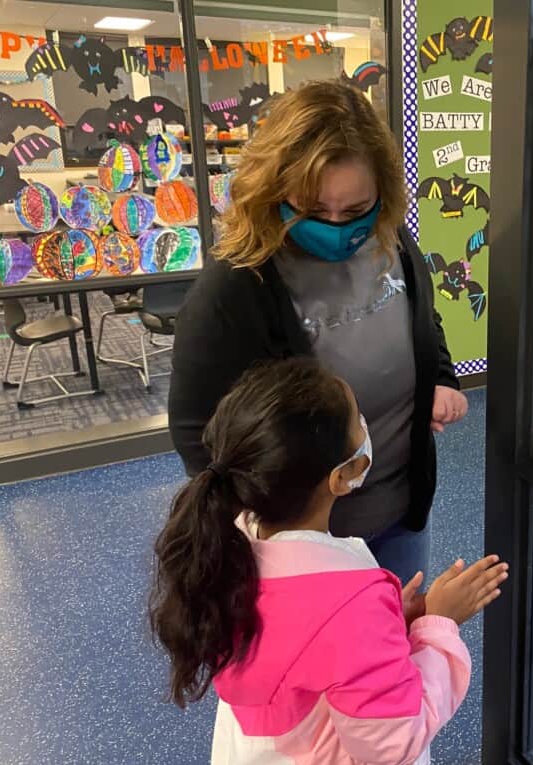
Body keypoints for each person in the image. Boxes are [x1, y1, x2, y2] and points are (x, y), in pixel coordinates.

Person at [168, 81, 468, 585]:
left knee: (395, 652)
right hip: (301, 550)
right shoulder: (237, 284)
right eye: (311, 210)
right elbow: (195, 431)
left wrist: (441, 377)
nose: (335, 226)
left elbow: (424, 320)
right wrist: (265, 532)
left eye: (354, 211)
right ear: (273, 191)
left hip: (399, 515)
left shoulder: (391, 238)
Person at [149, 358, 508, 765]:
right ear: (341, 477)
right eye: (359, 420)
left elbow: (305, 651)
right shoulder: (349, 603)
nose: (366, 427)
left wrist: (387, 626)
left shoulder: (228, 545)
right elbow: (394, 741)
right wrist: (437, 626)